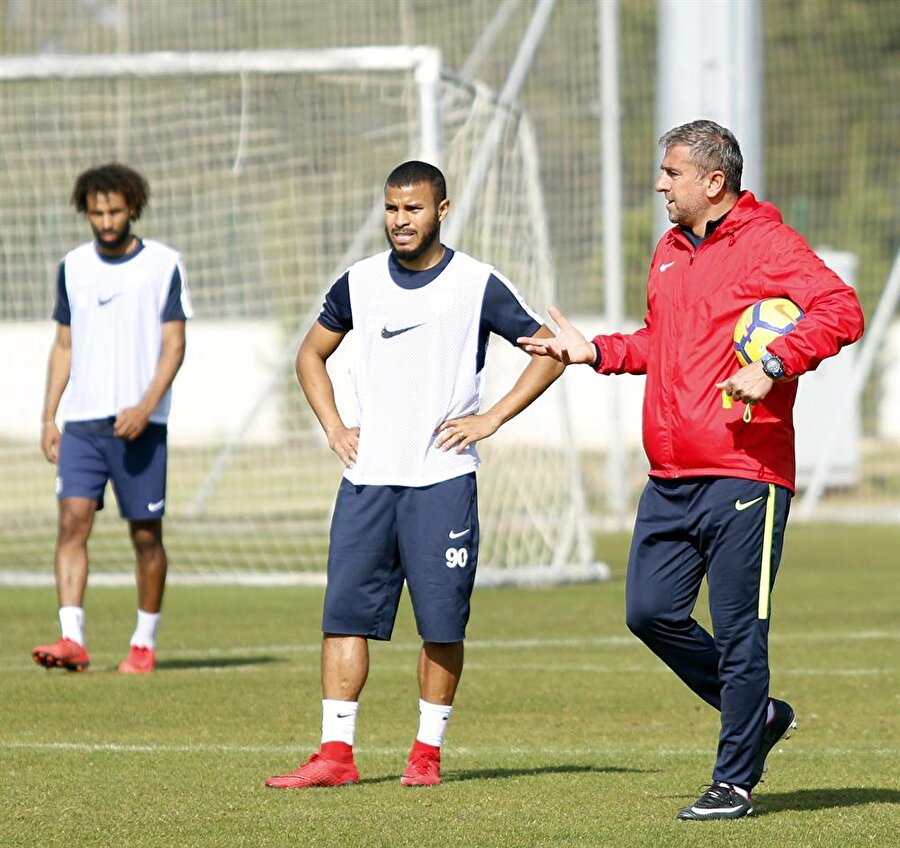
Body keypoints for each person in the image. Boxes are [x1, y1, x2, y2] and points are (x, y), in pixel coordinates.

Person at [519, 120, 864, 820]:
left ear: (713, 181)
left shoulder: (769, 242)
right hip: (670, 476)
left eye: (671, 173)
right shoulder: (670, 250)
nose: (659, 185)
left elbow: (841, 308)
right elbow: (662, 343)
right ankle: (759, 717)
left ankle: (734, 780)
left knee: (741, 634)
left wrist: (773, 365)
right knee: (648, 612)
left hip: (746, 471)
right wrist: (597, 352)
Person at [265, 160, 564, 789]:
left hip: (443, 481)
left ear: (442, 211)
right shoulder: (359, 283)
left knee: (441, 624)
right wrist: (334, 427)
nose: (401, 221)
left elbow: (551, 354)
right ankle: (335, 756)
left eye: (414, 209)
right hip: (367, 481)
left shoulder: (478, 284)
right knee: (344, 617)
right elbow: (310, 354)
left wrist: (493, 418)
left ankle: (426, 754)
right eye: (392, 209)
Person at [32, 163, 192, 675]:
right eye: (96, 212)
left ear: (133, 209)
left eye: (114, 211)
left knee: (146, 535)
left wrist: (146, 406)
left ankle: (143, 643)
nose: (105, 220)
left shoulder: (163, 265)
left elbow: (174, 344)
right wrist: (49, 415)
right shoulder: (72, 267)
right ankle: (71, 639)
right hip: (82, 424)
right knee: (71, 522)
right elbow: (64, 344)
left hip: (141, 425)